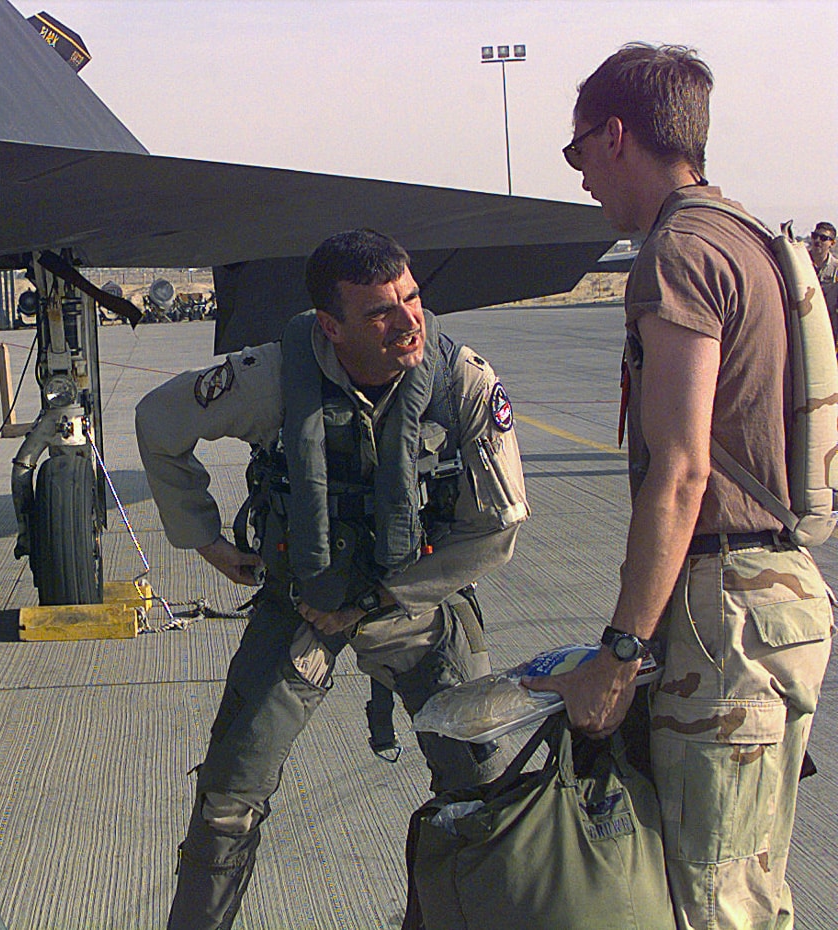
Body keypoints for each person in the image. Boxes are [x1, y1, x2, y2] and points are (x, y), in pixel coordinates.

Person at [135, 228, 528, 930]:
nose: (409, 322)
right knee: (228, 798)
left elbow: (499, 525)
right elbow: (159, 420)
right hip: (302, 608)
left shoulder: (460, 381)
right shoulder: (271, 378)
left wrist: (384, 597)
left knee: (482, 787)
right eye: (380, 312)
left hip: (417, 605)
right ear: (331, 325)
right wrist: (202, 538)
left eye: (411, 298)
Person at [529, 43, 833, 930]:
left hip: (725, 609)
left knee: (711, 906)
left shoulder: (680, 252)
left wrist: (618, 656)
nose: (582, 177)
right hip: (778, 598)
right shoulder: (747, 236)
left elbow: (682, 468)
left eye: (578, 152)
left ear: (616, 136)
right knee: (751, 891)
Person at [807, 221, 838, 328]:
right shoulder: (799, 263)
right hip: (803, 324)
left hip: (827, 327)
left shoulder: (836, 269)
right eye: (815, 236)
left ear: (832, 243)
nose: (817, 241)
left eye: (823, 238)